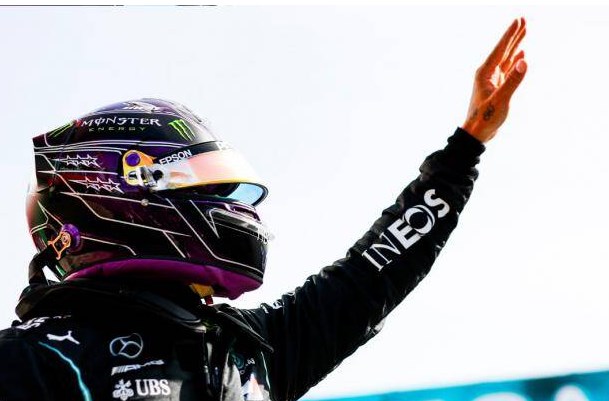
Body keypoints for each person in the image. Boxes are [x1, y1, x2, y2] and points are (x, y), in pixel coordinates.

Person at [0, 18, 527, 401]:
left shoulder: (246, 350)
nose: (227, 204)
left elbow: (373, 274)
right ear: (116, 196)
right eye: (199, 182)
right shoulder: (29, 358)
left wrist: (466, 148)